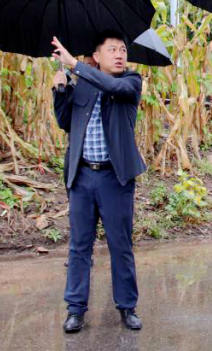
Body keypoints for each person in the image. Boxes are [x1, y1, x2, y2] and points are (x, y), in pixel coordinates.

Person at [52, 31, 147, 333]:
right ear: (96, 56)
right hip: (82, 177)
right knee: (79, 246)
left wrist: (76, 66)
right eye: (112, 50)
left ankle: (127, 306)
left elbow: (112, 86)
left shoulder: (131, 82)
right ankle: (75, 309)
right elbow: (66, 122)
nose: (120, 54)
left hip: (113, 178)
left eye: (122, 49)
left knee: (120, 245)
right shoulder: (83, 85)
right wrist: (61, 90)